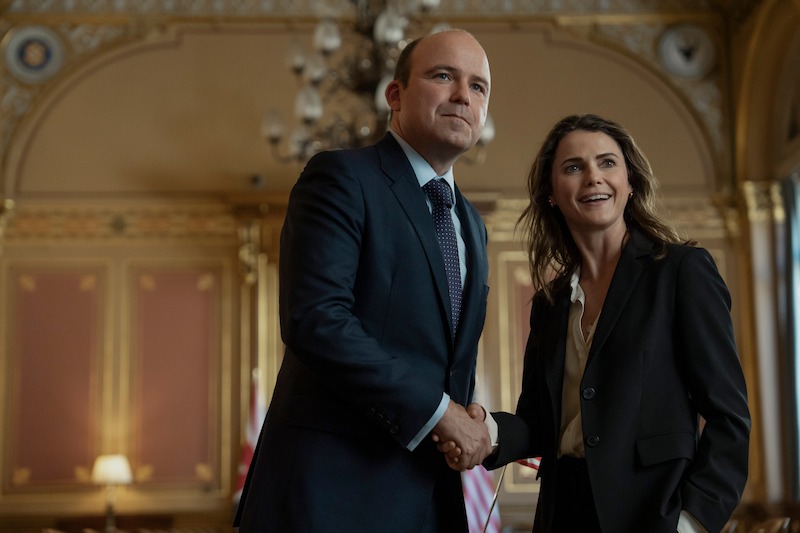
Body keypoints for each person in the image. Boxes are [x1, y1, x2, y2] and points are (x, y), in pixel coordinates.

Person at [234, 29, 494, 532]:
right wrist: (442, 414)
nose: (464, 95)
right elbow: (316, 319)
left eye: (479, 86)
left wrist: (469, 421)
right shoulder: (341, 177)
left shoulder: (473, 225)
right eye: (444, 76)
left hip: (431, 501)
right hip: (329, 498)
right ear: (394, 96)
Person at [441, 114, 751, 532]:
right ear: (552, 193)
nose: (593, 177)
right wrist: (486, 429)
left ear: (630, 182)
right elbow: (537, 421)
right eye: (573, 167)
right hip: (563, 511)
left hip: (653, 513)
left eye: (607, 163)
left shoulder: (681, 272)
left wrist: (691, 522)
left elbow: (729, 417)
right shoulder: (549, 304)